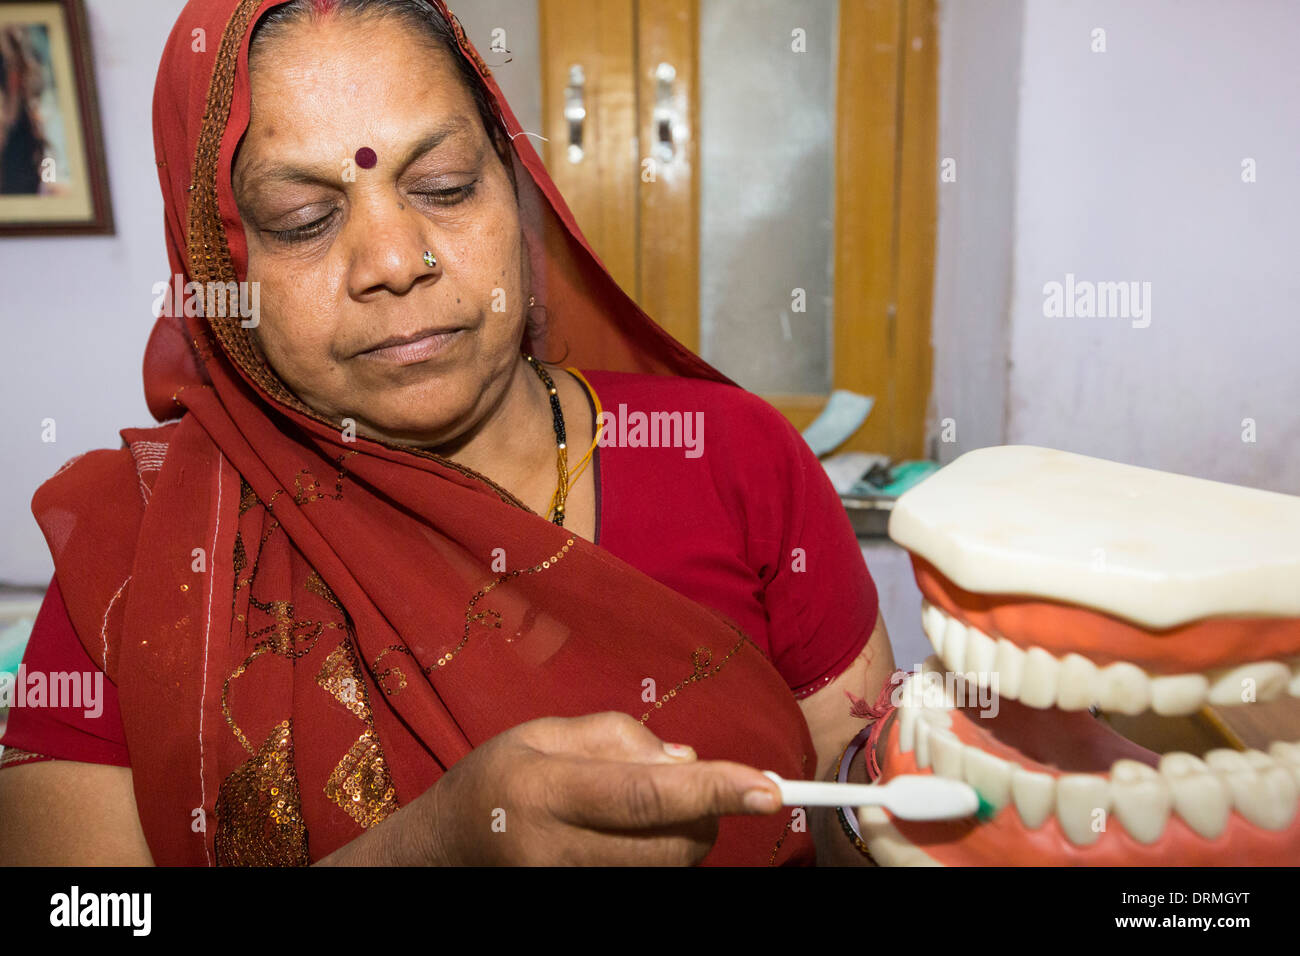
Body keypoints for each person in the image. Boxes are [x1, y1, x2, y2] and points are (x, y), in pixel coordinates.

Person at [0, 0, 895, 866]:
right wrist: (437, 848)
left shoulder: (729, 455)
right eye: (303, 222)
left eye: (444, 186)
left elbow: (847, 808)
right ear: (218, 264)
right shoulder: (139, 546)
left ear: (516, 186)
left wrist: (914, 794)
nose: (396, 260)